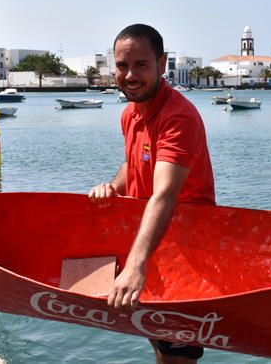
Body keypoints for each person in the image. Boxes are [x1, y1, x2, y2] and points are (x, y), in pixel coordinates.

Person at [88, 24, 215, 363]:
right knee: (161, 346)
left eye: (141, 65)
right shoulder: (131, 113)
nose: (130, 75)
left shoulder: (178, 116)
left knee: (178, 356)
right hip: (154, 250)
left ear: (162, 63)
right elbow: (136, 160)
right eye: (121, 65)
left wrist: (135, 265)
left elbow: (164, 195)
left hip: (185, 256)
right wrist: (114, 186)